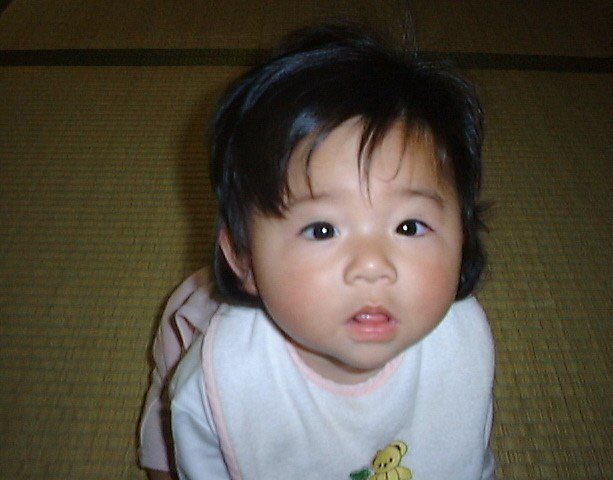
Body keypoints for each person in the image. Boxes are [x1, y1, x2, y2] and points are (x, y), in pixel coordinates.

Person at [139, 23, 495, 479]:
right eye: (322, 229)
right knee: (166, 442)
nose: (373, 265)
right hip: (198, 352)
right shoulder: (221, 381)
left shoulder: (461, 347)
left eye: (409, 226)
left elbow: (469, 451)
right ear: (244, 259)